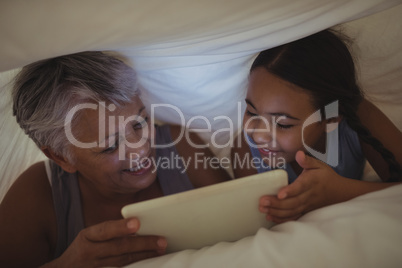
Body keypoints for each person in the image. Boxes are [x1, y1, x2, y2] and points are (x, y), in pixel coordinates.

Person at [0, 51, 230, 267]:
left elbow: (241, 224)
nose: (140, 149)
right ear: (60, 157)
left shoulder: (179, 146)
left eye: (140, 123)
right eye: (110, 146)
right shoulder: (37, 194)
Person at [231, 29, 402, 224]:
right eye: (252, 112)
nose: (259, 136)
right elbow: (256, 224)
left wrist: (340, 191)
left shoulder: (358, 114)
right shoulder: (245, 148)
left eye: (283, 124)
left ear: (331, 118)